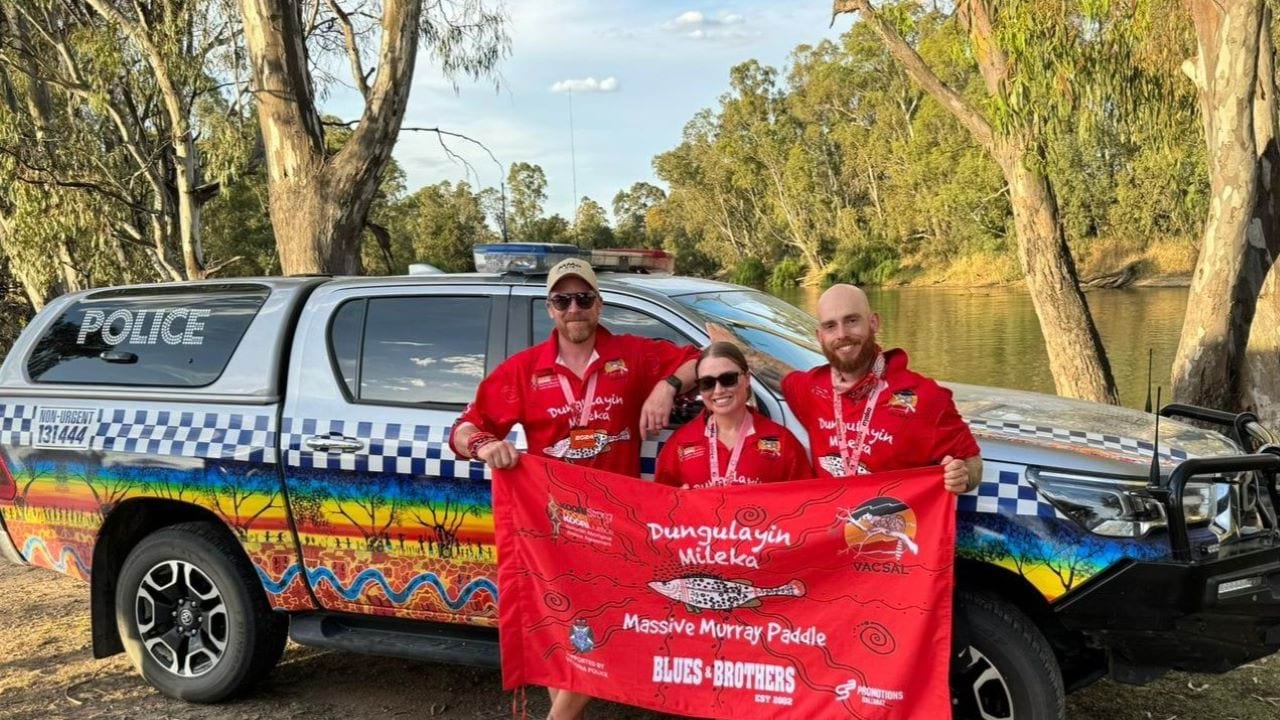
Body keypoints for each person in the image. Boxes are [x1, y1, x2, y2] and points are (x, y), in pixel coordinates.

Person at [449, 257, 698, 720]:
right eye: (563, 300)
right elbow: (464, 428)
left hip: (614, 523)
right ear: (550, 309)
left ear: (598, 304)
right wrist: (485, 445)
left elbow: (706, 358)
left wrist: (665, 388)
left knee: (603, 625)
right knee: (562, 629)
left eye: (583, 298)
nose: (574, 308)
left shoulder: (634, 354)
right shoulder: (524, 370)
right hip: (553, 524)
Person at [721, 283, 981, 493]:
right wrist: (734, 351)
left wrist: (963, 477)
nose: (842, 334)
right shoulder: (813, 388)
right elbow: (778, 373)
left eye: (852, 321)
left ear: (874, 323)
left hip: (893, 545)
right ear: (820, 336)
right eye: (830, 326)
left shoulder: (924, 396)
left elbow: (972, 462)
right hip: (834, 547)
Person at [655, 342, 812, 488]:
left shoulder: (782, 441)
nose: (718, 390)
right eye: (707, 383)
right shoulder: (680, 443)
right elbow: (663, 504)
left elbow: (804, 503)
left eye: (728, 379)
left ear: (747, 379)